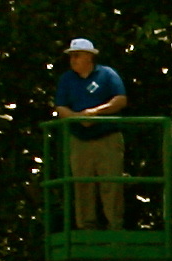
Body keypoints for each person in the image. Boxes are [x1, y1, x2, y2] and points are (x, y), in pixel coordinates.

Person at [53, 38, 129, 231]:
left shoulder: (107, 74)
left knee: (111, 182)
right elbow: (60, 107)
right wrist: (78, 118)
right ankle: (87, 226)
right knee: (82, 184)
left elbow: (120, 100)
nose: (73, 59)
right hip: (79, 139)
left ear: (89, 56)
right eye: (71, 56)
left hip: (107, 137)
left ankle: (115, 225)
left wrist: (95, 113)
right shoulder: (66, 79)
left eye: (77, 55)